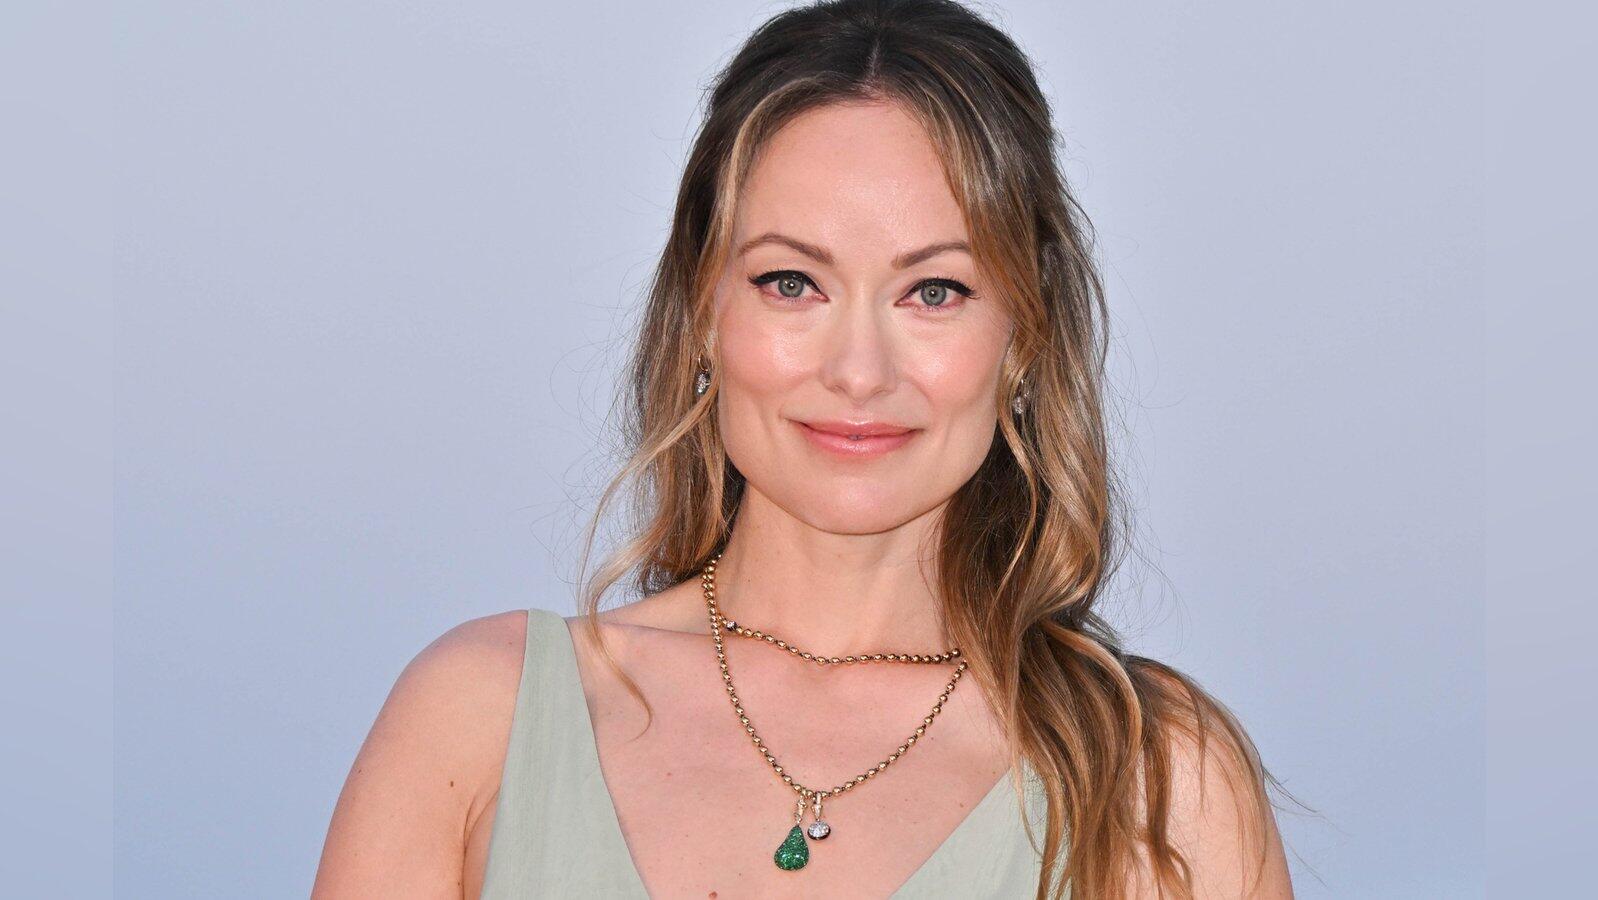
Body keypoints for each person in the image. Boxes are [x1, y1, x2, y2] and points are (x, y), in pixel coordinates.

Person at [312, 1, 1295, 896]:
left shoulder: (1158, 783)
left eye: (935, 291)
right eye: (792, 283)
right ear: (702, 311)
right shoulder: (477, 719)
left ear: (1024, 339)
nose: (858, 370)